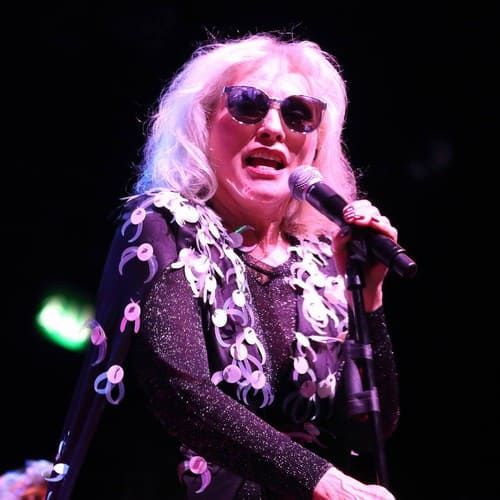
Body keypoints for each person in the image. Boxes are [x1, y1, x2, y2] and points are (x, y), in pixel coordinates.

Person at [44, 31, 403, 500]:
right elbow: (181, 392)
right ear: (202, 124)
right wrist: (325, 481)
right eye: (249, 105)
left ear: (315, 144)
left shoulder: (322, 260)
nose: (273, 128)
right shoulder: (164, 224)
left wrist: (369, 299)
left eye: (298, 114)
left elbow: (367, 430)